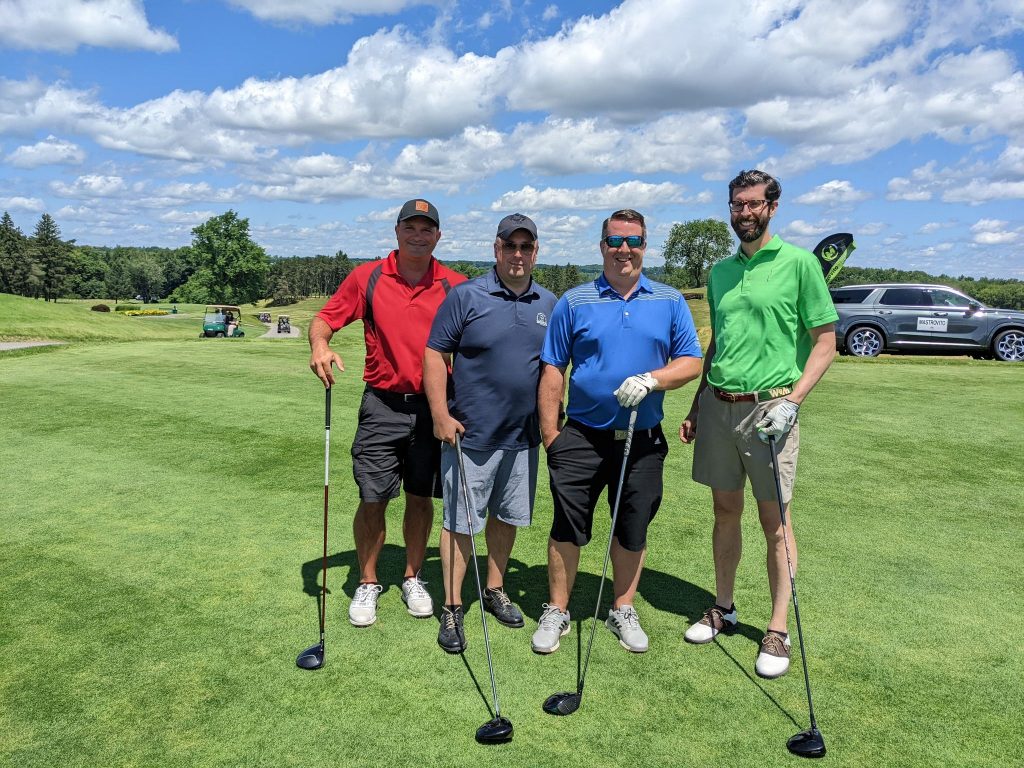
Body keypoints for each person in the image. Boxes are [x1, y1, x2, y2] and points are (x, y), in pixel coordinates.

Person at [679, 169, 838, 678]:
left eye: (753, 204)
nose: (744, 213)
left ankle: (777, 629)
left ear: (772, 206)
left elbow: (825, 342)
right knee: (724, 511)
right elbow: (718, 345)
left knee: (776, 523)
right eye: (737, 204)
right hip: (719, 405)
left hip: (771, 411)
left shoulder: (800, 264)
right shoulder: (721, 272)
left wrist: (793, 401)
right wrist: (697, 404)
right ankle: (723, 607)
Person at [532, 209, 703, 654]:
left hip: (642, 439)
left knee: (632, 527)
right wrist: (551, 434)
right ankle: (557, 609)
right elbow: (553, 367)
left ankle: (622, 608)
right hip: (581, 436)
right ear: (602, 245)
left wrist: (653, 379)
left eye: (633, 241)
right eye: (614, 241)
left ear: (645, 246)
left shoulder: (669, 300)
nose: (623, 249)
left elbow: (691, 361)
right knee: (567, 526)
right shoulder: (575, 301)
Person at [308, 199, 467, 627]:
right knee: (372, 497)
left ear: (438, 236)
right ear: (396, 231)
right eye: (410, 227)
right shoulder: (368, 277)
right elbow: (325, 319)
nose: (418, 236)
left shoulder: (455, 285)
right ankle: (368, 580)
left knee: (420, 496)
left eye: (426, 229)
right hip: (382, 405)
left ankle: (413, 576)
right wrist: (320, 345)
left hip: (434, 408)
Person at [423, 213, 557, 653]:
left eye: (526, 246)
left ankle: (495, 588)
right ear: (496, 249)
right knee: (460, 522)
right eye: (510, 245)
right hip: (471, 435)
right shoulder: (466, 295)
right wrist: (440, 414)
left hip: (523, 436)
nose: (518, 254)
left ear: (535, 252)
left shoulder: (548, 302)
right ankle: (452, 605)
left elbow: (555, 367)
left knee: (506, 517)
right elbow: (434, 354)